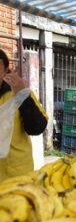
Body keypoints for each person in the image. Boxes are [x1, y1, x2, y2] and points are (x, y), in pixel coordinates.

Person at [0, 49, 48, 181]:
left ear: (5, 72)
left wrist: (23, 96)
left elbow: (37, 127)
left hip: (17, 176)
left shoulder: (20, 94)